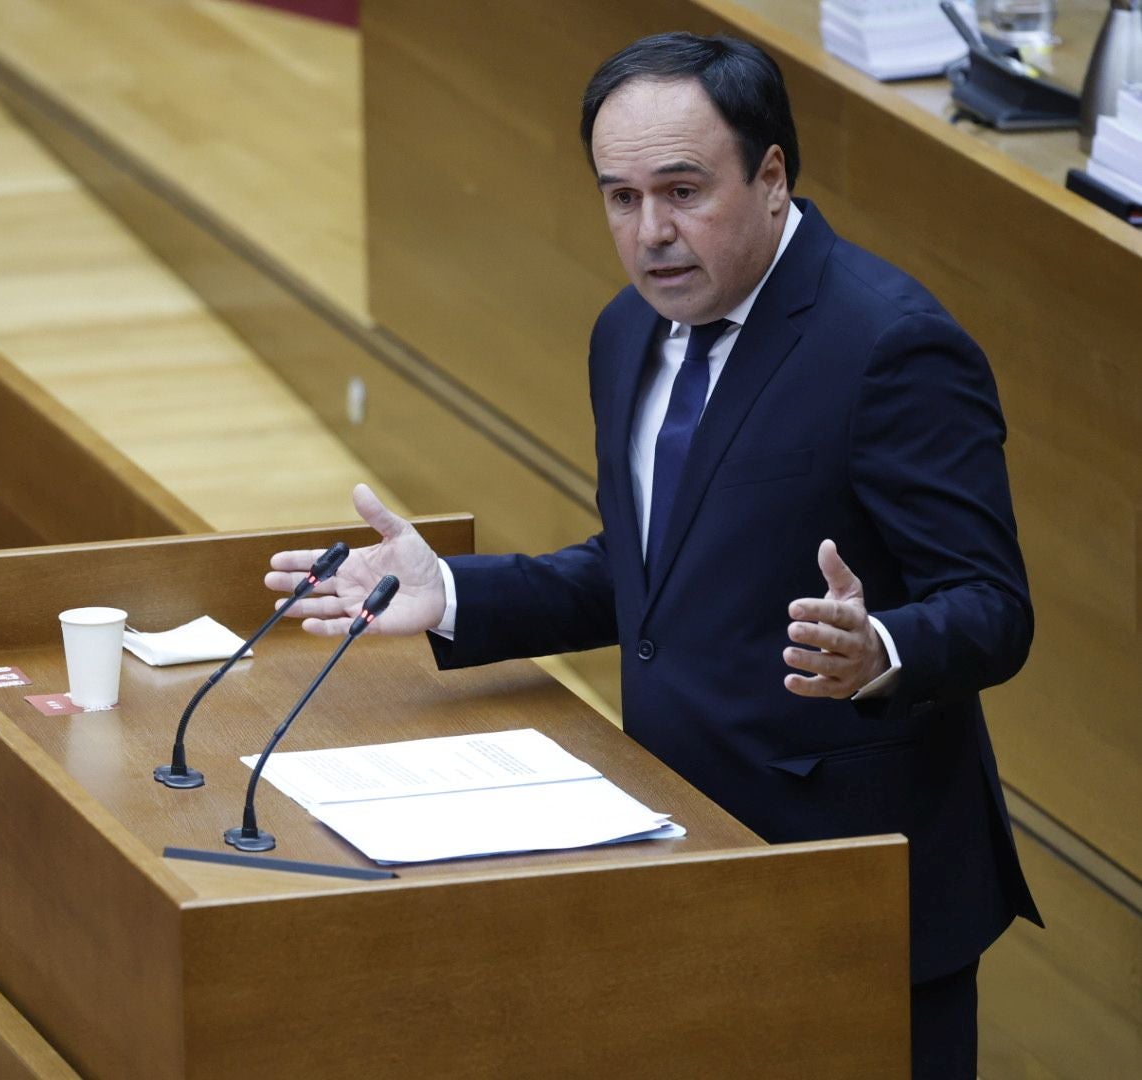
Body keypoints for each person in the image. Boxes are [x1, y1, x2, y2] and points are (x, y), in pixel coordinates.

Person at [265, 31, 1040, 1079]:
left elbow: (993, 605)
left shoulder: (890, 345)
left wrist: (883, 650)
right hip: (679, 861)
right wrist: (451, 592)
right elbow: (654, 577)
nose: (651, 235)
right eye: (619, 198)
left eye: (682, 191)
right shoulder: (626, 335)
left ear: (772, 177)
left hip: (853, 886)